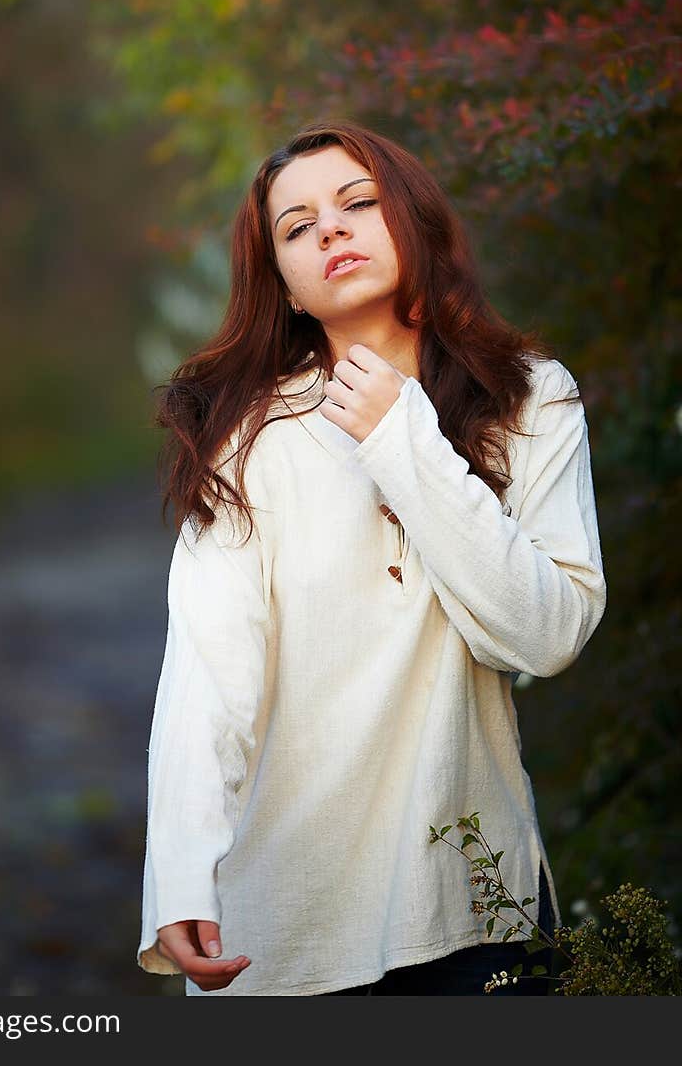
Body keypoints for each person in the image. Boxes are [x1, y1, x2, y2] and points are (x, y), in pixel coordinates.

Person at [135, 119, 606, 996]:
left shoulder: (533, 399)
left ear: (416, 223)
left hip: (477, 904)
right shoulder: (248, 439)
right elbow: (208, 671)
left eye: (358, 203)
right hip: (287, 925)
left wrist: (405, 441)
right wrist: (182, 869)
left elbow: (546, 638)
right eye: (297, 226)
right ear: (285, 282)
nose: (332, 231)